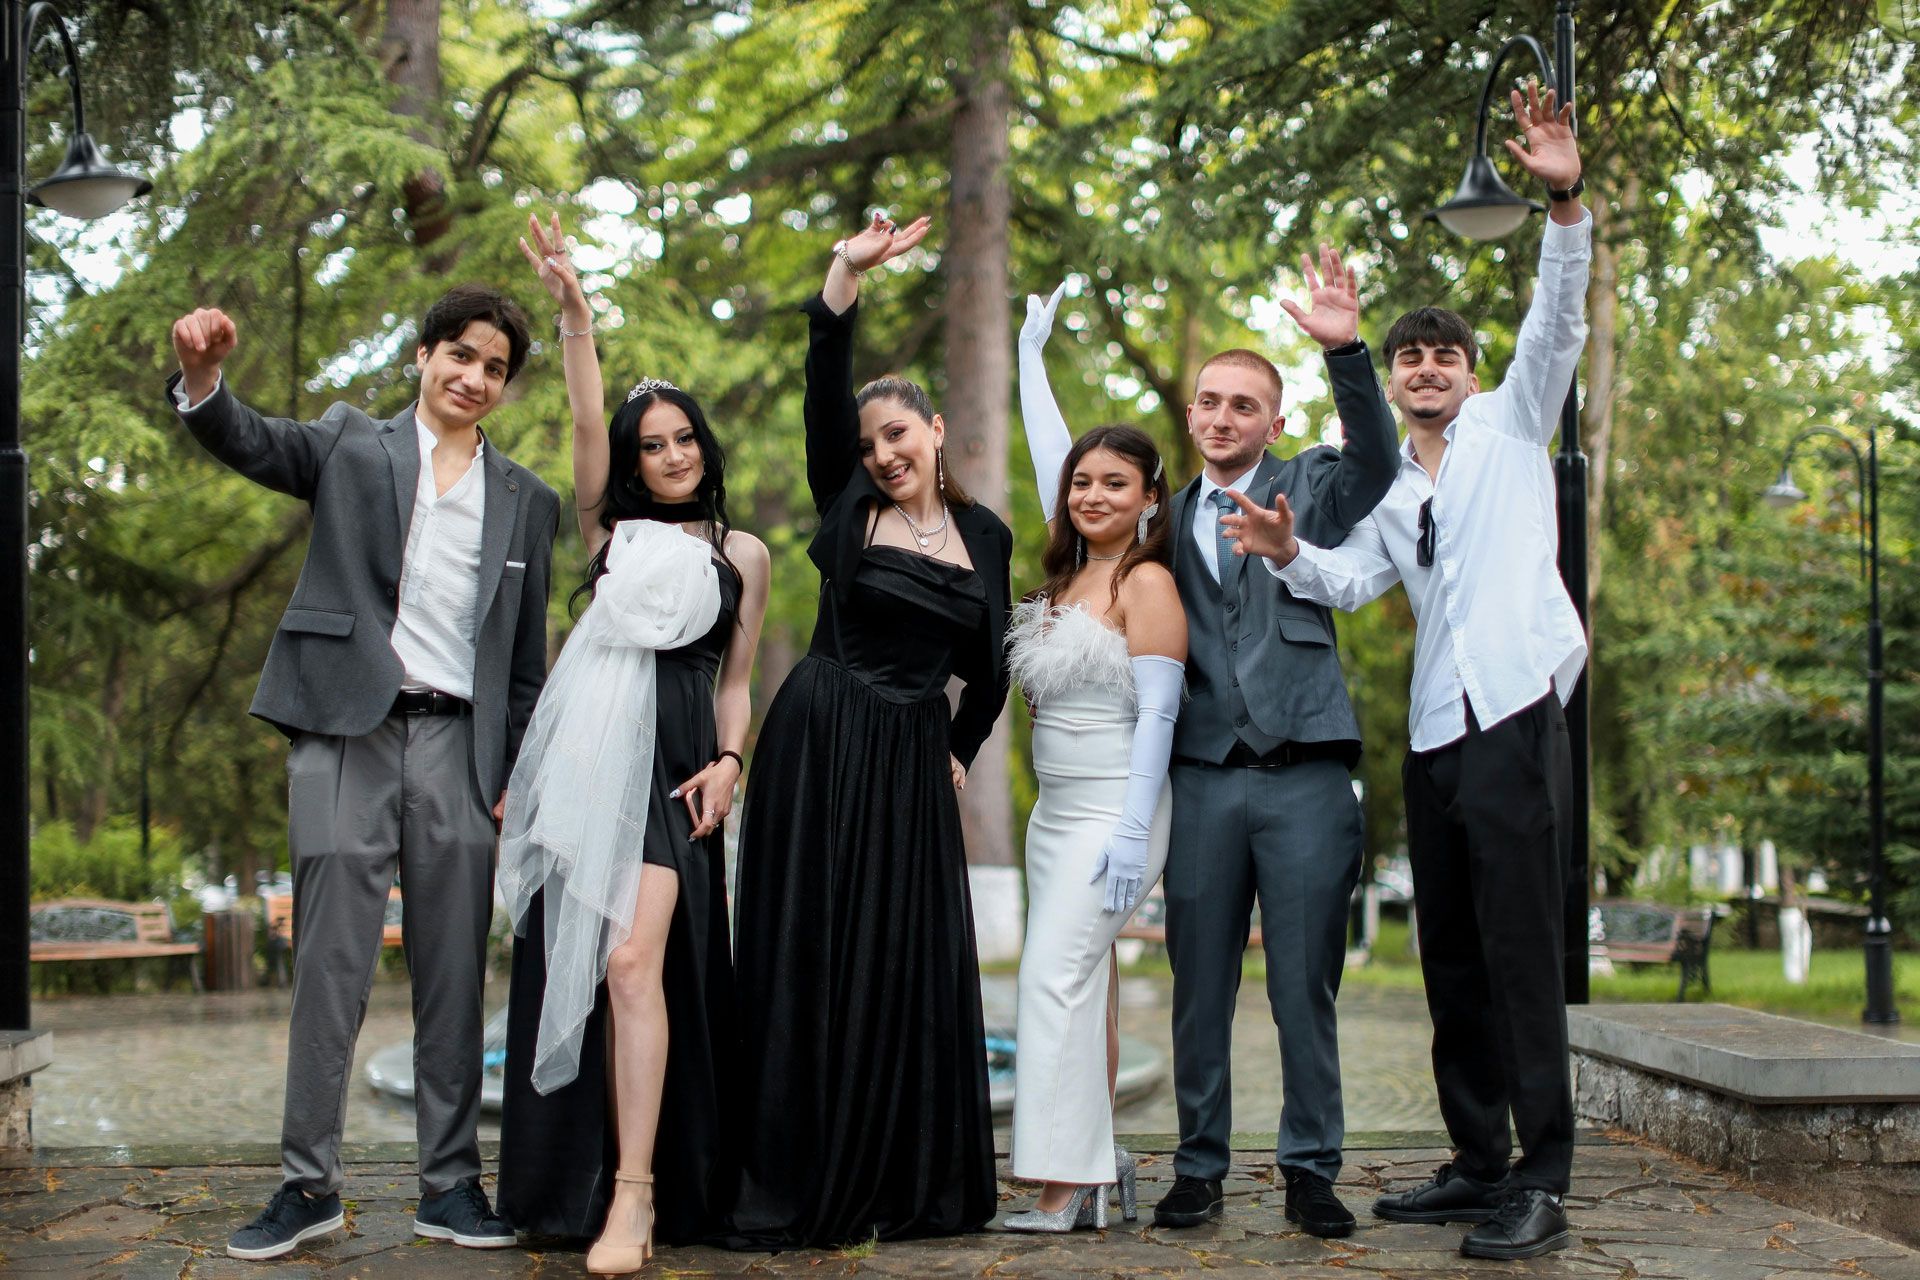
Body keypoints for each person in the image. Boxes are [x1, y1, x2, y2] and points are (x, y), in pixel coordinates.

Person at [1222, 80, 1591, 1262]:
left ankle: (1543, 1173)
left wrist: (1564, 201)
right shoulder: (1388, 487)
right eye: (1410, 355)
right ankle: (1478, 1159)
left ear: (1472, 372)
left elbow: (1558, 318)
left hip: (1516, 710)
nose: (1428, 367)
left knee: (1522, 949)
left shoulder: (1514, 425)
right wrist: (1286, 550)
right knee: (1453, 954)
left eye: (1445, 354)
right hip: (1436, 735)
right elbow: (1347, 581)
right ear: (1391, 377)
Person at [169, 286, 559, 1261]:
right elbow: (254, 441)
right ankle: (308, 1184)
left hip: (460, 747)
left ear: (505, 386)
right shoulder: (350, 443)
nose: (473, 376)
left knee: (454, 968)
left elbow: (523, 664)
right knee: (330, 966)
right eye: (459, 354)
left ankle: (451, 1185)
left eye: (494, 367)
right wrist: (204, 378)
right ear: (423, 355)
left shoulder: (529, 502)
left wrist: (513, 771)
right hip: (347, 732)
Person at [722, 212, 1010, 1249]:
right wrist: (845, 270)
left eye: (897, 434)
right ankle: (800, 1168)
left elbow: (993, 668)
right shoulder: (848, 501)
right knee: (815, 952)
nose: (882, 453)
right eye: (868, 442)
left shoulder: (987, 536)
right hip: (824, 736)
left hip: (910, 762)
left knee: (905, 963)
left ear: (935, 429)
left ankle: (903, 1175)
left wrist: (956, 750)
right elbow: (825, 375)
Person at [495, 214, 769, 1272]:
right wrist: (575, 312)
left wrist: (733, 763)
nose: (670, 455)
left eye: (682, 437)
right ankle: (593, 1182)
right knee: (592, 967)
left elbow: (737, 679)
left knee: (629, 959)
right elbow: (580, 415)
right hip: (590, 759)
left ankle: (638, 1194)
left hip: (677, 766)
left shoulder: (742, 551)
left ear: (704, 443)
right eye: (650, 444)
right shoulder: (608, 533)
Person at [1152, 245, 1399, 1239]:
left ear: (1274, 421)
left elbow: (1379, 460)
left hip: (1306, 779)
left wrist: (1347, 354)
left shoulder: (1313, 483)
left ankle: (1310, 1168)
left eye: (1244, 405)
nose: (1224, 418)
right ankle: (1198, 1166)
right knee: (1198, 990)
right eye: (1210, 403)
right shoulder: (1164, 516)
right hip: (1204, 779)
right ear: (1192, 415)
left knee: (1305, 990)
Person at [1001, 282, 1184, 1233]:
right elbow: (1051, 454)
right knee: (1083, 986)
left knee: (1053, 980)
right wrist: (1030, 358)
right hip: (1054, 816)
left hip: (1117, 810)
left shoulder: (1147, 586)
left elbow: (1159, 718)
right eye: (1083, 483)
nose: (1092, 495)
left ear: (1150, 497)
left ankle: (1064, 1185)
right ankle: (1096, 1168)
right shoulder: (1070, 576)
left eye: (1116, 483)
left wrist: (1130, 831)